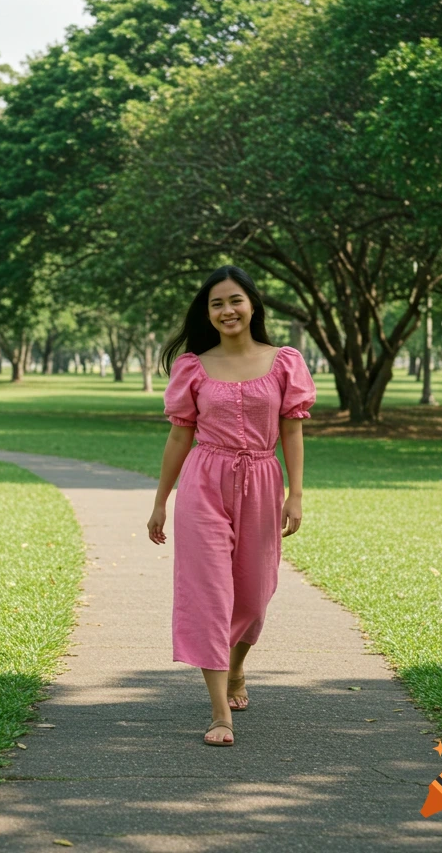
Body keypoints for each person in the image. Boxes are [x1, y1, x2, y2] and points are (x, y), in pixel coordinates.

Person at [146, 265, 316, 747]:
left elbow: (292, 429)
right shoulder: (194, 367)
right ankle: (220, 713)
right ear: (208, 313)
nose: (227, 310)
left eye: (235, 300)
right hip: (204, 483)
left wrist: (296, 494)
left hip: (263, 480)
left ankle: (237, 667)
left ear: (253, 305)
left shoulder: (284, 362)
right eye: (216, 303)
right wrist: (161, 501)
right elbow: (179, 436)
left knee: (254, 595)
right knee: (209, 595)